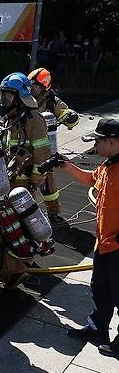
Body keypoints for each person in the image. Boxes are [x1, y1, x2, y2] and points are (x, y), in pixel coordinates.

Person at [63, 119, 119, 358]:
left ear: (112, 141)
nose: (95, 144)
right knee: (100, 289)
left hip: (117, 246)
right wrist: (67, 166)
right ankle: (98, 329)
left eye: (98, 140)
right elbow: (90, 179)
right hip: (104, 243)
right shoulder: (108, 166)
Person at [28, 67, 80, 221]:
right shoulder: (23, 96)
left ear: (44, 87)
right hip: (25, 144)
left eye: (35, 87)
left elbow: (64, 112)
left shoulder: (51, 100)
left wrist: (69, 117)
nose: (31, 90)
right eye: (29, 86)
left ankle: (53, 212)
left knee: (47, 181)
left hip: (44, 146)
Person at [0, 72, 50, 194]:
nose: (3, 101)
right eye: (2, 96)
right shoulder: (10, 118)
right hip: (7, 178)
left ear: (19, 98)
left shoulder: (33, 119)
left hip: (23, 182)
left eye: (8, 97)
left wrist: (36, 178)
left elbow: (43, 151)